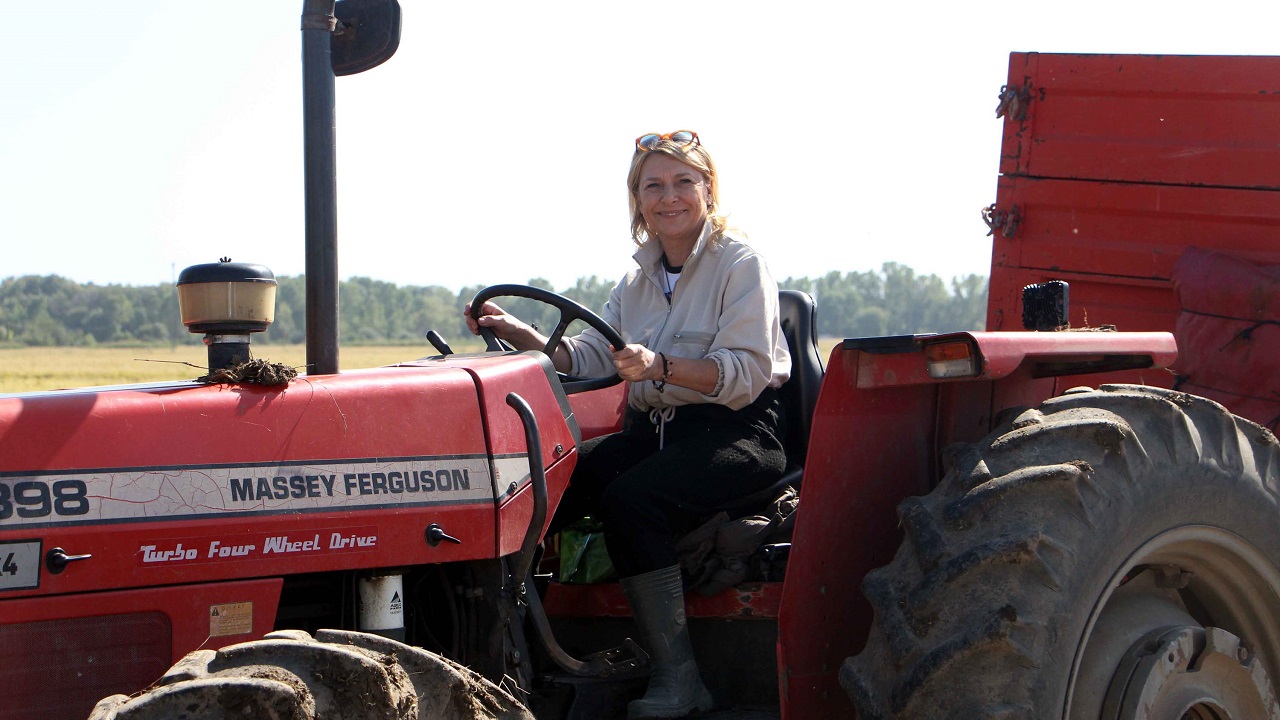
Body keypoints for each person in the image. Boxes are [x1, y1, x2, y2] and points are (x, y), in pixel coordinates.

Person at [465, 130, 791, 719]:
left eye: (683, 182)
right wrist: (527, 339)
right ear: (637, 200)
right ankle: (507, 656)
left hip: (736, 432)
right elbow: (592, 356)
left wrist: (662, 366)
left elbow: (747, 372)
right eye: (654, 186)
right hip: (653, 433)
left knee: (632, 498)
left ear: (707, 189)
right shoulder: (637, 279)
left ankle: (680, 678)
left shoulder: (740, 265)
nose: (670, 197)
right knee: (545, 484)